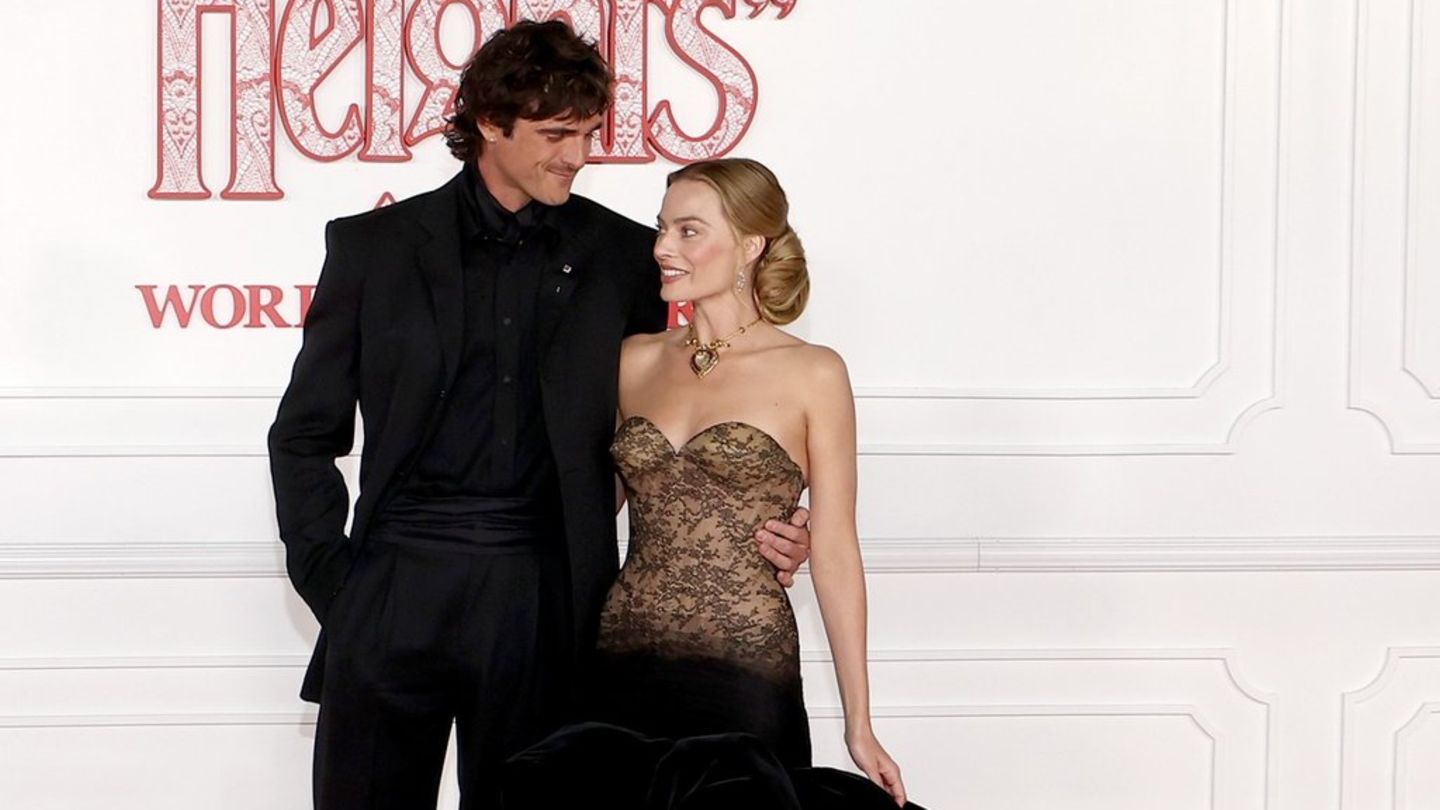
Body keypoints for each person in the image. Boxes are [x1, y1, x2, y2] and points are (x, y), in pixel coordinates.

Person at [266, 21, 812, 809]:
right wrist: (337, 584)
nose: (578, 155)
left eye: (588, 134)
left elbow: (674, 416)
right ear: (491, 122)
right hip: (394, 583)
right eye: (558, 135)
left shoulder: (624, 257)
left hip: (545, 598)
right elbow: (303, 434)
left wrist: (758, 518)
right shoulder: (373, 249)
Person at [503, 159, 921, 809]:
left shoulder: (813, 373)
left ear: (750, 246)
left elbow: (837, 550)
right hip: (621, 663)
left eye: (688, 231)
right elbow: (591, 508)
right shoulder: (632, 359)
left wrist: (859, 723)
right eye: (662, 228)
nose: (663, 248)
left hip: (745, 673)